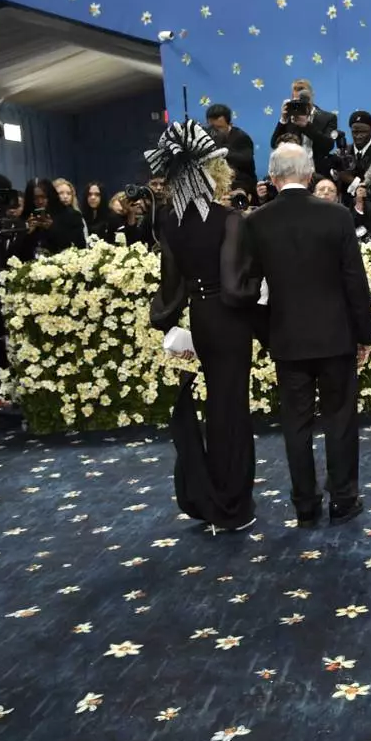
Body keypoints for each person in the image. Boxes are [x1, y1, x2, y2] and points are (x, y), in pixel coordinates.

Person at [240, 143, 371, 528]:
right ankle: (344, 500)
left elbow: (250, 290)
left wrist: (268, 336)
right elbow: (355, 281)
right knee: (340, 419)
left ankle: (304, 504)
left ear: (272, 177)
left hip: (287, 339)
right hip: (335, 337)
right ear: (310, 172)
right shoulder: (336, 216)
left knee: (295, 425)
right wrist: (364, 333)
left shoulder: (256, 222)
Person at [148, 120, 259, 532]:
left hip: (201, 318)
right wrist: (259, 295)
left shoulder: (171, 225)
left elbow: (170, 292)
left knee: (218, 406)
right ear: (213, 173)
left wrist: (169, 329)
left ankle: (220, 497)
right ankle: (232, 505)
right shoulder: (229, 219)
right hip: (229, 322)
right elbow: (234, 288)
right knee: (232, 410)